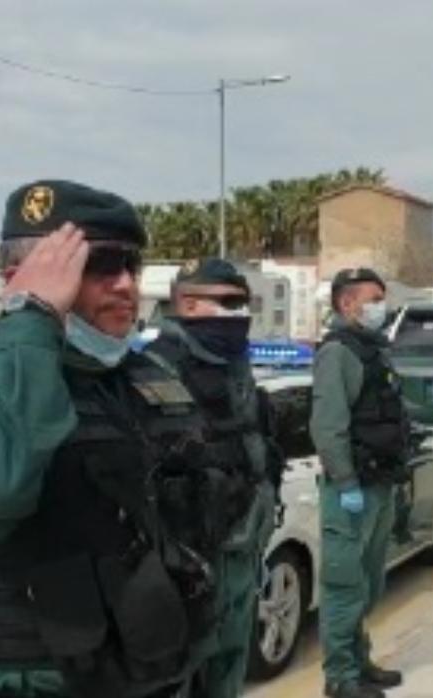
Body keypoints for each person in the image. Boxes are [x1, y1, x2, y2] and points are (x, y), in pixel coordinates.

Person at [0, 180, 208, 698]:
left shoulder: (135, 379)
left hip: (154, 670)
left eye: (133, 265)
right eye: (99, 265)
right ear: (23, 277)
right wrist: (32, 318)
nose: (126, 285)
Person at [148, 258, 280, 698]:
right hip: (193, 551)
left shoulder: (231, 360)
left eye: (243, 302)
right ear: (186, 303)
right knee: (188, 665)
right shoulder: (157, 363)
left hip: (242, 538)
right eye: (226, 302)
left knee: (231, 655)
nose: (239, 313)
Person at [310, 267, 408, 698]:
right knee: (345, 586)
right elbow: (329, 425)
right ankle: (340, 677)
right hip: (352, 487)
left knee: (369, 583)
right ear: (347, 303)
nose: (379, 307)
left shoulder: (374, 350)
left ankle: (359, 659)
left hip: (380, 481)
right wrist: (345, 480)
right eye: (372, 298)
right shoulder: (338, 352)